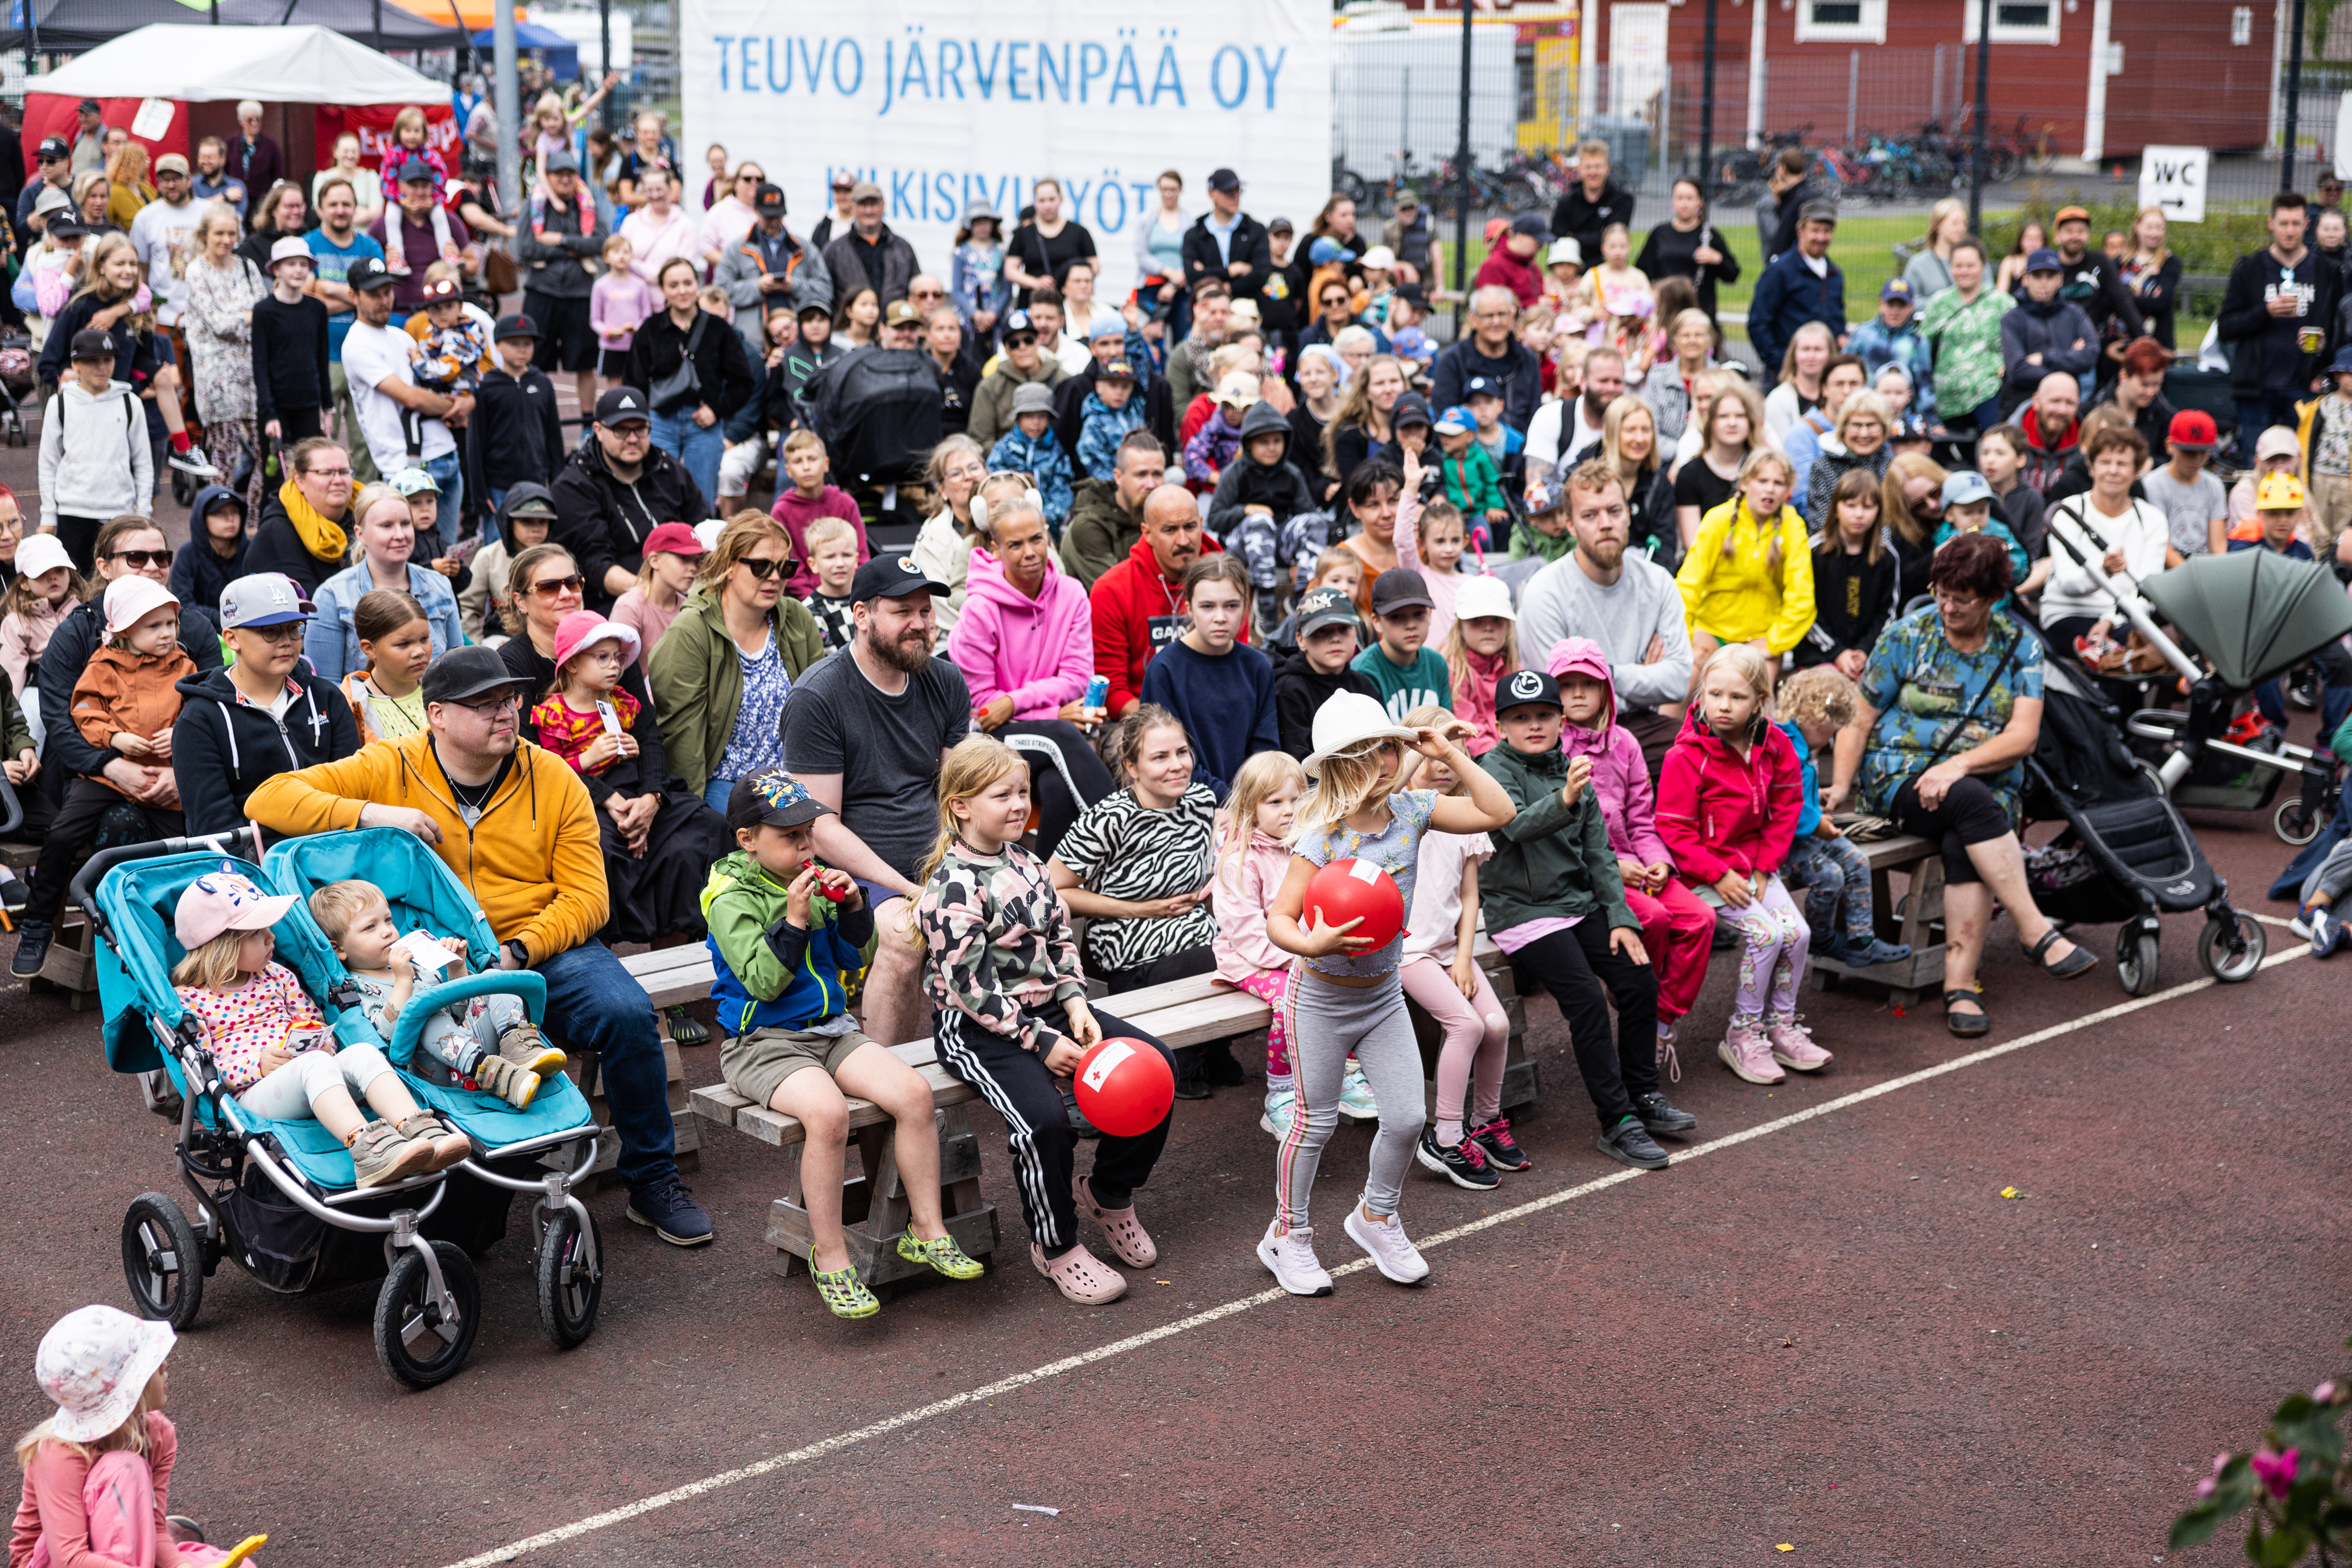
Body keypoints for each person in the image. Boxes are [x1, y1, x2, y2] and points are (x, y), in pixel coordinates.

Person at [247, 642, 713, 1239]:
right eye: (484, 704)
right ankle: (463, 1186)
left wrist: (519, 950)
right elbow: (268, 799)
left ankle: (652, 1180)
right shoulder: (390, 763)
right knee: (396, 1036)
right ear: (436, 714)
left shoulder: (552, 775)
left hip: (538, 944)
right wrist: (375, 814)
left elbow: (589, 898)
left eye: (510, 699)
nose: (506, 713)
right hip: (421, 951)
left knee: (625, 1011)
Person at [1248, 696, 1513, 1296]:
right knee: (1313, 1124)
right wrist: (1312, 942)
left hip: (1382, 995)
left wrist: (1446, 753)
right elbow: (1280, 921)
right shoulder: (1320, 834)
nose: (1387, 759)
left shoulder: (1416, 810)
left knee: (1408, 1116)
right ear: (1340, 764)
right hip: (1318, 998)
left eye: (1390, 746)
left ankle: (1376, 1215)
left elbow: (1498, 810)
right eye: (1370, 751)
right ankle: (1287, 1236)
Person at [703, 766, 984, 1319]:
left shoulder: (812, 876)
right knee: (828, 1115)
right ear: (747, 840)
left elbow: (857, 957)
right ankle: (830, 1255)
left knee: (914, 1093)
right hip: (762, 1042)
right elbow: (762, 982)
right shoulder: (729, 895)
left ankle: (925, 1228)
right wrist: (795, 921)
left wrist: (854, 909)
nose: (805, 846)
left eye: (808, 833)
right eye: (789, 837)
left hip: (832, 1030)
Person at [914, 737, 1177, 1305]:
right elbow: (970, 988)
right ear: (961, 805)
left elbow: (1059, 941)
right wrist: (1041, 1039)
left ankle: (1108, 1191)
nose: (1017, 804)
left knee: (1158, 1067)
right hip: (977, 1027)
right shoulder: (951, 886)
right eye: (1001, 794)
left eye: (1023, 792)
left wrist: (1077, 1002)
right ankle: (1055, 1244)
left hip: (1051, 1008)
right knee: (1044, 1123)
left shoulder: (1030, 862)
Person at [1830, 532, 2092, 1035]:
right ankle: (2032, 929)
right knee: (1972, 806)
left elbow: (2024, 736)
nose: (1948, 606)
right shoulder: (1908, 636)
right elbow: (1859, 720)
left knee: (1964, 829)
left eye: (1963, 599)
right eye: (1941, 593)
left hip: (1981, 789)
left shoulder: (2021, 648)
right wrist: (1842, 786)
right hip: (1900, 780)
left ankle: (1958, 986)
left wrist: (1958, 765)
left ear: (1992, 599)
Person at [1478, 667, 1691, 1172]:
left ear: (1559, 720)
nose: (1534, 725)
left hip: (1577, 905)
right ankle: (1617, 1122)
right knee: (1588, 1002)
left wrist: (1620, 918)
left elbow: (1600, 855)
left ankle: (1643, 1094)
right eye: (1521, 717)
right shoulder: (1490, 768)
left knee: (1639, 980)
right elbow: (1514, 827)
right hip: (1523, 913)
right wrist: (1566, 798)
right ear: (1502, 724)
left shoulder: (1572, 770)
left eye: (1544, 715)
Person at [778, 554, 972, 1054]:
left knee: (1021, 907)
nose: (920, 625)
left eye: (926, 612)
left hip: (935, 857)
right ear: (862, 616)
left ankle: (995, 1067)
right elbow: (818, 827)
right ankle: (889, 1089)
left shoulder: (945, 681)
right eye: (903, 611)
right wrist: (909, 887)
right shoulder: (819, 696)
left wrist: (963, 868)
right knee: (907, 939)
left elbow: (958, 795)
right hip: (853, 873)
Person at [1656, 642, 1823, 1085]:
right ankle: (1742, 1034)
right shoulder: (1685, 755)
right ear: (1701, 694)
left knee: (1798, 932)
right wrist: (1719, 874)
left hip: (1754, 869)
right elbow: (1673, 830)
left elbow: (1787, 807)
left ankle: (1781, 1026)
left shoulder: (1775, 745)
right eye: (1714, 695)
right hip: (1703, 872)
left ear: (1759, 703)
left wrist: (1765, 867)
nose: (1723, 706)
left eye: (1737, 697)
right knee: (1766, 935)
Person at [524, 609, 732, 948]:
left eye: (618, 658)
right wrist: (589, 759)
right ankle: (610, 952)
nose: (615, 666)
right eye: (601, 657)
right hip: (586, 798)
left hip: (636, 789)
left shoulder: (623, 703)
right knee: (602, 851)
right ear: (573, 664)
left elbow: (648, 743)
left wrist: (642, 779)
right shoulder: (552, 713)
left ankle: (688, 943)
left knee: (705, 826)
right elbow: (550, 768)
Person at [950, 492, 1111, 860]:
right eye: (1015, 544)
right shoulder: (979, 609)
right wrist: (1053, 714)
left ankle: (1048, 887)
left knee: (1057, 787)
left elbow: (1076, 678)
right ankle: (1131, 841)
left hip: (1044, 731)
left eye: (1036, 539)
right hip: (988, 742)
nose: (1029, 552)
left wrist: (1015, 701)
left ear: (1048, 535)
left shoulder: (1071, 593)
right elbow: (984, 711)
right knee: (1063, 737)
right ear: (995, 548)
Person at [1516, 459, 1693, 773]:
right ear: (1569, 525)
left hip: (1640, 725)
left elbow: (1677, 680)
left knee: (1703, 752)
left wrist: (1602, 673)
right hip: (1567, 735)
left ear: (1628, 515)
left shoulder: (1658, 581)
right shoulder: (1544, 591)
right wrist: (1639, 675)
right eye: (1590, 515)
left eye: (1614, 511)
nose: (1606, 523)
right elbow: (1558, 695)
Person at [1774, 665, 1909, 969]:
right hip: (1786, 845)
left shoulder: (1802, 743)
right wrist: (1814, 822)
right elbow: (1780, 805)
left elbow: (1798, 792)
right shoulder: (1785, 747)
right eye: (1829, 731)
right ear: (1813, 717)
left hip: (1807, 833)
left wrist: (1814, 798)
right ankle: (1821, 939)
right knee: (1830, 876)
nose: (1829, 739)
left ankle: (1862, 941)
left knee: (1858, 860)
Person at [1213, 750, 1312, 1137]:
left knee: (1346, 984)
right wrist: (1301, 956)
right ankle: (1280, 1096)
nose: (1289, 810)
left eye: (1296, 799)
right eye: (1275, 802)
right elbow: (1247, 932)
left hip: (1300, 953)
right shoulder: (1239, 858)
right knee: (1293, 1000)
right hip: (1250, 961)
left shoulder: (1305, 845)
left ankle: (1346, 1076)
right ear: (1252, 808)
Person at [550, 386, 711, 613]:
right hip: (613, 602)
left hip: (685, 591)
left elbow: (702, 528)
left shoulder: (670, 470)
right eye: (621, 431)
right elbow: (595, 565)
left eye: (641, 430)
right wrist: (655, 594)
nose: (633, 439)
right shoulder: (574, 486)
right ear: (597, 430)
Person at [1137, 554, 1277, 800]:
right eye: (1208, 606)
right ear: (1189, 608)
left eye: (1231, 606)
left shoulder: (1257, 667)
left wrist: (1253, 800)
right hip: (1183, 803)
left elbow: (1265, 750)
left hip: (1250, 803)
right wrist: (1226, 800)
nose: (1220, 617)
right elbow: (1167, 758)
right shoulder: (1165, 670)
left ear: (1246, 607)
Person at [2039, 423, 2177, 667]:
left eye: (2122, 464)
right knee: (2117, 654)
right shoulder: (2067, 512)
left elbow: (2148, 589)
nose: (2113, 471)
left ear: (2136, 472)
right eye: (2105, 462)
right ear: (2091, 468)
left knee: (2144, 644)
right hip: (2069, 614)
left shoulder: (2152, 519)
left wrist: (2109, 621)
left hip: (2126, 618)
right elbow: (2068, 583)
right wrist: (2102, 571)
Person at [1090, 484, 1232, 717]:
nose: (1183, 540)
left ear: (1201, 522)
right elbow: (1113, 688)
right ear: (1147, 533)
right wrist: (1162, 726)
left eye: (1190, 527)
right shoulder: (1111, 590)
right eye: (1170, 530)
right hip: (1140, 717)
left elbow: (1236, 665)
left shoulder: (1227, 583)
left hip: (1216, 710)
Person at [1677, 449, 1815, 684]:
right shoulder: (1718, 519)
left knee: (1757, 683)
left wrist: (1774, 642)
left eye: (1779, 483)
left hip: (1762, 636)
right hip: (1712, 631)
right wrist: (1683, 636)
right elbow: (1688, 584)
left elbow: (1802, 598)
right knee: (1687, 669)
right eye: (1762, 481)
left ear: (1788, 492)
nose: (1770, 489)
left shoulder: (1793, 526)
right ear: (1744, 484)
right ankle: (1667, 721)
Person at [2220, 191, 2338, 463]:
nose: (2290, 231)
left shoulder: (2325, 271)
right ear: (2270, 223)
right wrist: (2266, 311)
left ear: (2307, 225)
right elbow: (2226, 327)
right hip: (2256, 388)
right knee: (2255, 463)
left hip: (2304, 387)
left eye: (2296, 224)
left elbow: (2338, 333)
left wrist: (2322, 350)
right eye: (2283, 223)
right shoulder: (2250, 269)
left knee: (2303, 463)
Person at [302, 486, 464, 683]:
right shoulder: (333, 596)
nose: (400, 535)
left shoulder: (439, 585)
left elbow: (457, 669)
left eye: (405, 524)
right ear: (360, 534)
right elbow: (327, 687)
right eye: (386, 526)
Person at [36, 327, 152, 576]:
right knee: (73, 590)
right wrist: (49, 514)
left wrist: (143, 513)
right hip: (72, 512)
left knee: (120, 585)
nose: (102, 367)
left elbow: (143, 462)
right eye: (92, 361)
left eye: (108, 360)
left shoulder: (129, 403)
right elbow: (48, 463)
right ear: (75, 365)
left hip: (119, 513)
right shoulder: (60, 404)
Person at [513, 147, 610, 416]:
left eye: (570, 174)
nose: (565, 180)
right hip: (542, 292)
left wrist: (561, 240)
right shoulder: (533, 203)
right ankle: (538, 419)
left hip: (580, 294)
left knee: (584, 363)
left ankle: (589, 423)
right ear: (549, 177)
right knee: (535, 362)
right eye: (559, 175)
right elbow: (526, 249)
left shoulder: (588, 204)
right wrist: (577, 249)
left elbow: (602, 243)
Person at [1798, 466, 1901, 678]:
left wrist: (1865, 649)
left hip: (1867, 654)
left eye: (1868, 507)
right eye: (1850, 505)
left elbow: (1888, 613)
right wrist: (1838, 652)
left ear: (1879, 511)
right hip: (1820, 652)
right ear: (1835, 508)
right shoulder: (1815, 551)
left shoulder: (1887, 557)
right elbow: (1805, 609)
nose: (1859, 514)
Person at [1921, 238, 2016, 434]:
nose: (1964, 271)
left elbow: (2019, 341)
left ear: (1982, 266)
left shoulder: (2002, 303)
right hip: (1946, 394)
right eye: (1958, 266)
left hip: (1987, 389)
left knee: (1995, 438)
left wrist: (2009, 363)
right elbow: (1923, 346)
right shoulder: (1939, 303)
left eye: (1970, 265)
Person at [1747, 203, 1846, 389]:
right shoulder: (1779, 272)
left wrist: (1840, 338)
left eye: (1827, 231)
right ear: (1801, 230)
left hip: (1823, 378)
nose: (1821, 237)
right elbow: (1758, 323)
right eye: (1815, 230)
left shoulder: (1835, 275)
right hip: (1785, 379)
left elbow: (1837, 319)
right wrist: (1781, 365)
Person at [767, 428, 868, 596]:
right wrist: (814, 599)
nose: (806, 467)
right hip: (806, 598)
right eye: (798, 461)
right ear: (788, 471)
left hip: (851, 592)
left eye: (812, 459)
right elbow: (789, 565)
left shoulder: (846, 503)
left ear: (826, 464)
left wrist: (854, 592)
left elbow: (862, 556)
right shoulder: (782, 511)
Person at [1429, 286, 1543, 434]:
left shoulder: (1527, 359)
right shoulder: (1454, 360)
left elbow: (1534, 416)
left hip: (1520, 449)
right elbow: (1444, 417)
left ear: (1512, 317)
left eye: (1502, 314)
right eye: (1489, 316)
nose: (1496, 322)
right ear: (1473, 320)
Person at [1059, 431, 1167, 587]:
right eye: (1141, 475)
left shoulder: (1163, 515)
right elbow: (1118, 592)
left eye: (1157, 474)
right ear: (1118, 477)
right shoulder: (1089, 525)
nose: (1151, 484)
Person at [1673, 377, 1770, 550]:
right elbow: (1694, 545)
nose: (1732, 423)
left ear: (1750, 422)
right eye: (1723, 416)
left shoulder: (1765, 470)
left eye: (1740, 416)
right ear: (1711, 423)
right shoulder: (1690, 474)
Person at [2002, 246, 2097, 410]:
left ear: (2060, 279)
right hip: (2023, 402)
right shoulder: (2012, 319)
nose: (2044, 283)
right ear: (2025, 279)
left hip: (2068, 403)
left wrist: (2045, 359)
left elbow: (2090, 354)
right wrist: (2068, 361)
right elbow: (2017, 370)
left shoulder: (2075, 313)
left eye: (2050, 276)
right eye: (2037, 276)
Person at [1636, 178, 1739, 323]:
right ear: (1673, 201)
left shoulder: (1709, 236)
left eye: (1690, 199)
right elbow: (1642, 271)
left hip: (1698, 314)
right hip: (1663, 313)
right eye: (1680, 198)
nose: (1684, 204)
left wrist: (1718, 259)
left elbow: (1733, 274)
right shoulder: (1659, 233)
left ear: (1700, 201)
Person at [609, 519, 705, 670]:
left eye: (698, 561)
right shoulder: (630, 606)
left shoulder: (688, 608)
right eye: (684, 558)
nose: (694, 568)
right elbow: (616, 668)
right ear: (655, 561)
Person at [2141, 407, 2230, 560]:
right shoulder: (2154, 485)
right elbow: (2161, 545)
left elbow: (2218, 547)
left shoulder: (2214, 485)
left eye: (2203, 452)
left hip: (2204, 569)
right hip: (2168, 571)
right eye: (2188, 452)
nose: (2196, 460)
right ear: (2170, 446)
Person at [1802, 391, 1895, 528]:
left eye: (1871, 425)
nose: (1864, 434)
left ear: (1884, 428)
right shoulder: (1823, 467)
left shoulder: (1893, 468)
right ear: (1843, 428)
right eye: (1857, 425)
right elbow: (1821, 524)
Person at [820, 181, 918, 307]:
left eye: (874, 205)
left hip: (894, 325)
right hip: (850, 326)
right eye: (863, 205)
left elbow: (917, 290)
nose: (869, 210)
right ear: (852, 207)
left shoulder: (903, 249)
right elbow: (824, 294)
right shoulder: (834, 250)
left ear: (883, 206)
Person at [1550, 139, 1636, 262]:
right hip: (1572, 272)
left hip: (1608, 271)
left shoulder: (1623, 200)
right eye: (1588, 167)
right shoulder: (1566, 203)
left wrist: (1573, 237)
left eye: (1598, 166)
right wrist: (1600, 235)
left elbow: (1615, 240)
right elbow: (1557, 241)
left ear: (1607, 168)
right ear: (1579, 169)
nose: (1593, 172)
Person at [1904, 198, 1971, 302]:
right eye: (1955, 224)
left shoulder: (1975, 260)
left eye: (1964, 223)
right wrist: (1942, 305)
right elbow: (1908, 300)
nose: (1961, 228)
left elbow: (1988, 293)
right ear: (1938, 226)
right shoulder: (1918, 264)